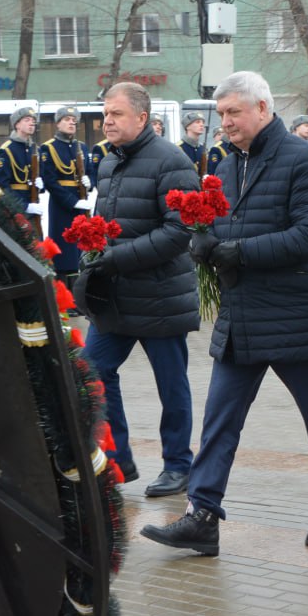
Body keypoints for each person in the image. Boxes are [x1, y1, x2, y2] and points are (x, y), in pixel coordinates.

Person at [140, 71, 308, 556]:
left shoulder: (305, 159)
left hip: (293, 316)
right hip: (241, 317)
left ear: (262, 108)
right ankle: (202, 515)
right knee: (219, 419)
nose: (226, 122)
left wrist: (238, 251)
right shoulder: (228, 163)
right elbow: (224, 223)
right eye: (221, 114)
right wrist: (204, 239)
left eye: (234, 112)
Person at [76, 82, 200, 492]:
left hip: (160, 296)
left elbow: (180, 232)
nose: (107, 121)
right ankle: (117, 460)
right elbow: (108, 222)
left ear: (142, 118)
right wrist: (92, 250)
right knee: (92, 372)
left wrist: (118, 257)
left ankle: (178, 465)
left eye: (117, 114)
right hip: (115, 295)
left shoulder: (171, 161)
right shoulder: (109, 161)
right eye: (105, 114)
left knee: (171, 384)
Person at [39, 105, 92, 283]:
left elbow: (91, 172)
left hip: (82, 201)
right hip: (61, 205)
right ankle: (65, 289)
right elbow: (50, 181)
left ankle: (81, 287)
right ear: (58, 124)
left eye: (74, 121)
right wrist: (72, 202)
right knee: (64, 250)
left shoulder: (81, 147)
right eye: (67, 120)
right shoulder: (48, 148)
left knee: (82, 247)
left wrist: (90, 182)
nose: (71, 123)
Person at [0, 106, 40, 215]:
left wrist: (41, 185)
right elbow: (3, 185)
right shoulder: (6, 150)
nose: (32, 123)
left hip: (34, 204)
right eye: (27, 120)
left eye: (33, 121)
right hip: (15, 209)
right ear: (17, 125)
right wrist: (24, 206)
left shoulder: (35, 149)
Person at [178, 110, 208, 177]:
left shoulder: (202, 148)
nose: (202, 125)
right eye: (197, 122)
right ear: (187, 126)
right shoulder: (179, 148)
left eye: (203, 122)